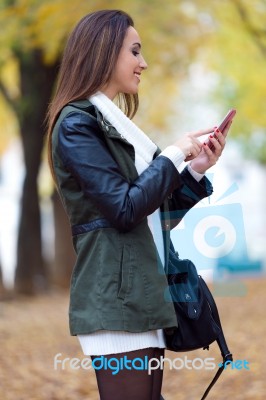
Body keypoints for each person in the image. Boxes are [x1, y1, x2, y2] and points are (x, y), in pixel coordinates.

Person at [46, 9, 231, 400]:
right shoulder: (77, 125)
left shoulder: (116, 127)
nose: (143, 63)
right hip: (114, 298)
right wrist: (173, 154)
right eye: (134, 51)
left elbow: (153, 216)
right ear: (104, 52)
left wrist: (194, 168)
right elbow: (125, 209)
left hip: (142, 294)